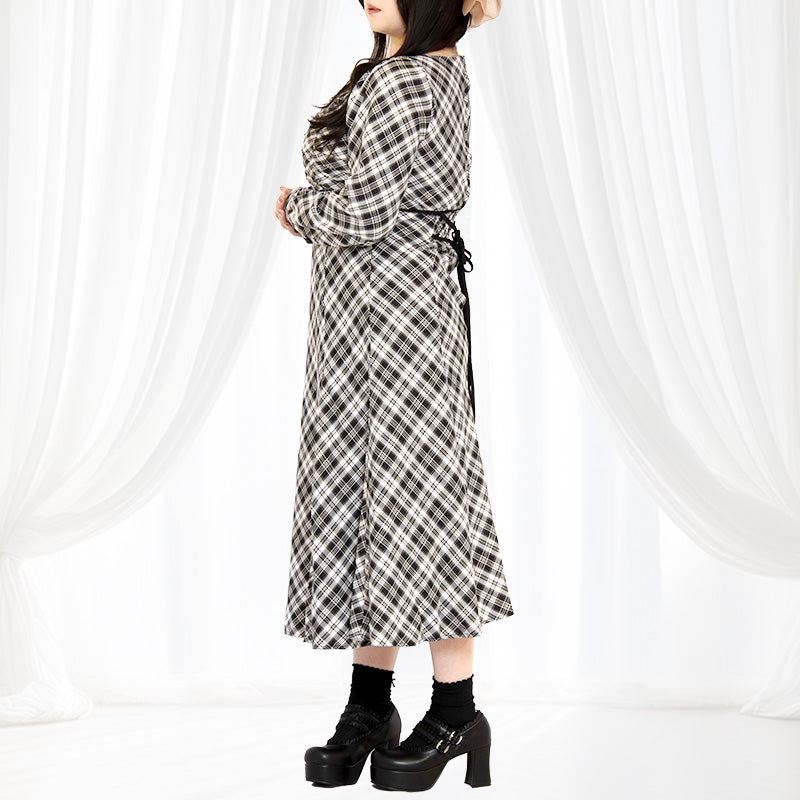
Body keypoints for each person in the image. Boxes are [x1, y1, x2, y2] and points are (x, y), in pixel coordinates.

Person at [274, 0, 509, 791]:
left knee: (408, 498)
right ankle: (373, 704)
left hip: (386, 317)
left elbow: (363, 211)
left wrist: (296, 207)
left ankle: (453, 710)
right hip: (392, 311)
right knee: (394, 498)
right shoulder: (435, 72)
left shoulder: (401, 81)